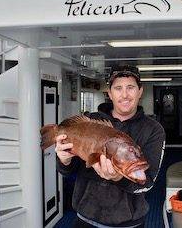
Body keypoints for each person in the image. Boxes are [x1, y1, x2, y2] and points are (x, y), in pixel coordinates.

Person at [55, 65, 165, 228]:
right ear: (110, 93)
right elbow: (70, 170)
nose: (125, 94)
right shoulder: (90, 120)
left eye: (131, 87)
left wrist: (118, 178)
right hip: (85, 219)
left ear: (140, 91)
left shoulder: (153, 130)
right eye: (118, 88)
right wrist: (64, 161)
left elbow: (147, 182)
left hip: (129, 223)